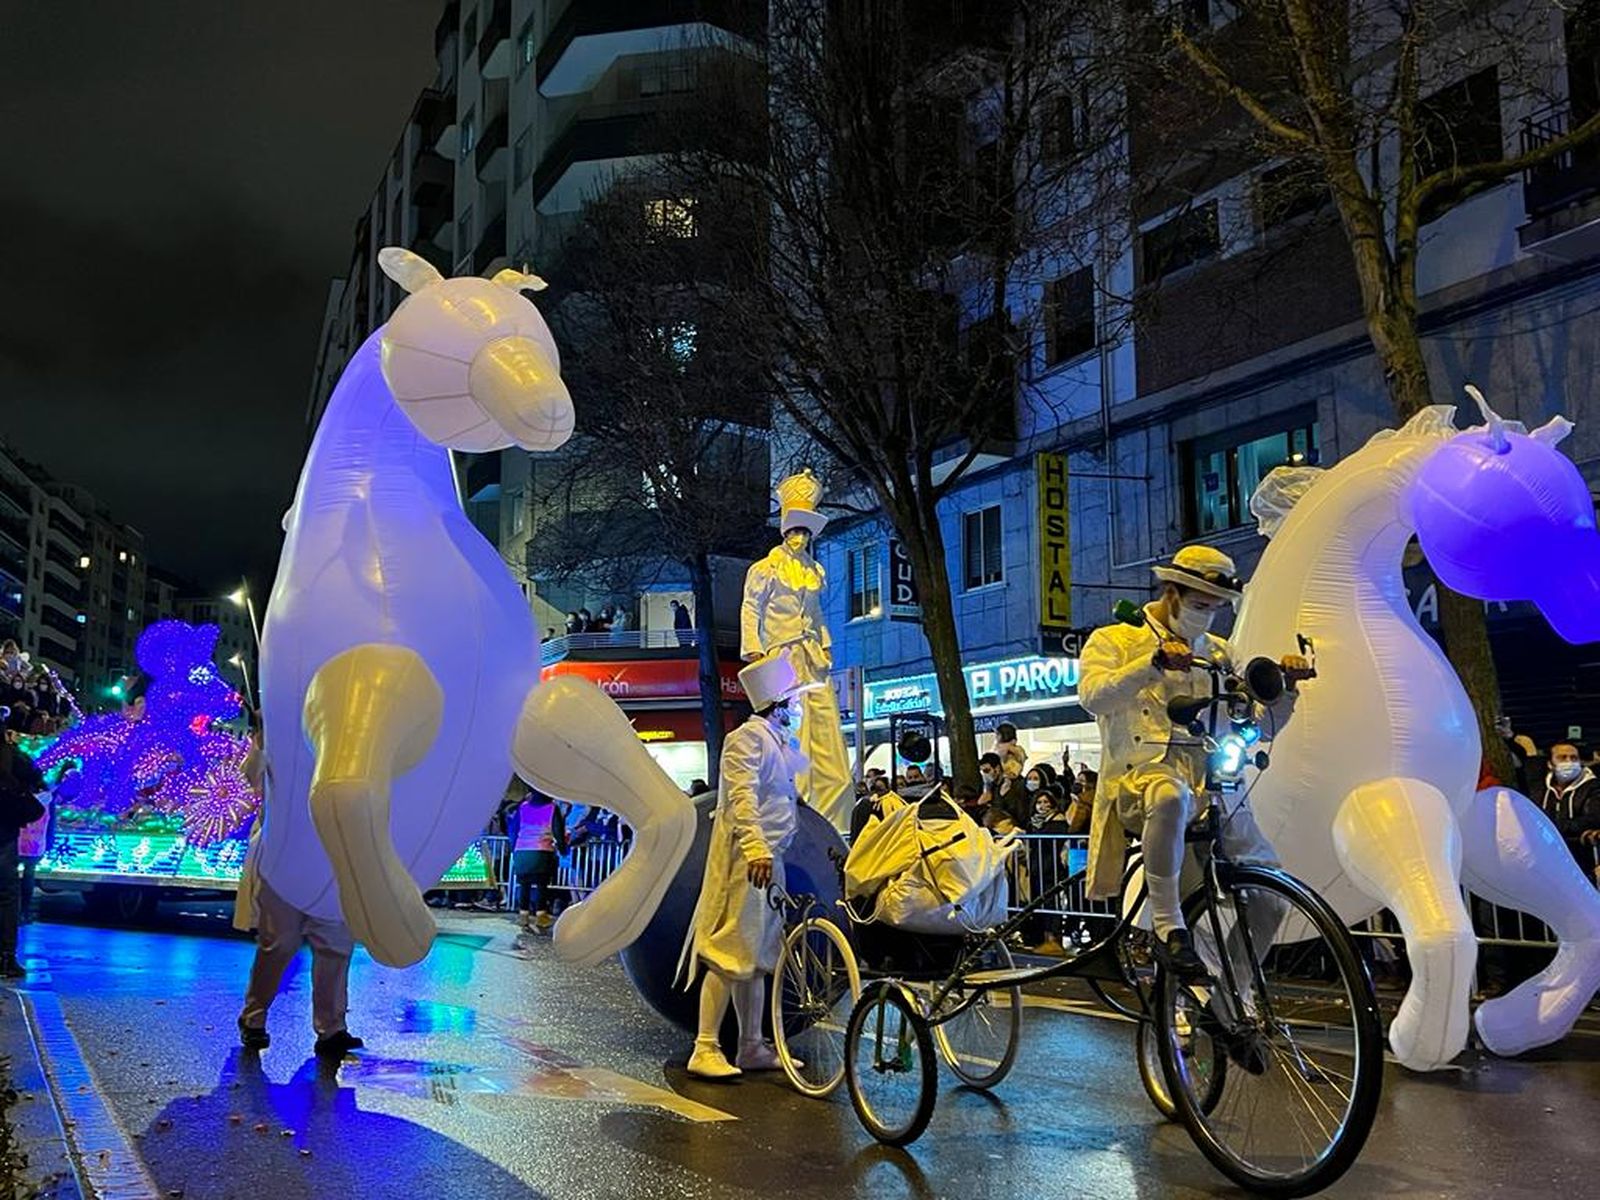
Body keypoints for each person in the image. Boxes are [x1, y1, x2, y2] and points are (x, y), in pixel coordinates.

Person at [1079, 544, 1308, 979]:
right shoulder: (1114, 640)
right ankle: (1169, 928)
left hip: (1214, 789)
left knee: (1271, 899)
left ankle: (1229, 998)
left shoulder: (1221, 653)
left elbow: (1261, 727)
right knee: (1168, 794)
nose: (1207, 616)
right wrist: (1152, 665)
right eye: (1201, 605)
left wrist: (1286, 688)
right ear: (1172, 593)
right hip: (1141, 783)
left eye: (1217, 608)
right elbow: (1094, 697)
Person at [682, 653, 811, 1079]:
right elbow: (742, 798)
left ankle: (751, 1045)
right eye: (793, 699)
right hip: (748, 860)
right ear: (777, 703)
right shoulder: (747, 740)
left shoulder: (775, 741)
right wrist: (756, 849)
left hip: (768, 857)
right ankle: (705, 1046)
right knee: (730, 950)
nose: (798, 706)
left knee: (755, 955)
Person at [235, 717, 363, 1058]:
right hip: (283, 858)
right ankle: (253, 1017)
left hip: (330, 856)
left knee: (335, 945)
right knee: (279, 943)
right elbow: (248, 779)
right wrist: (262, 739)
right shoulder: (276, 734)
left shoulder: (344, 735)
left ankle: (331, 1029)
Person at [741, 470, 853, 830]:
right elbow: (751, 608)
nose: (800, 537)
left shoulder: (814, 570)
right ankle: (793, 801)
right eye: (794, 530)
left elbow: (816, 613)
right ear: (784, 530)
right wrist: (754, 650)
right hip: (782, 656)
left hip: (811, 655)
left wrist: (825, 643)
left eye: (805, 531)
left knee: (825, 726)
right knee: (793, 727)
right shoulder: (765, 569)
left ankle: (834, 809)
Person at [0, 724, 45, 978]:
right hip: (4, 830)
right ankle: (6, 957)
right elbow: (37, 778)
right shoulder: (10, 755)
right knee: (7, 894)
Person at [509, 790, 566, 932]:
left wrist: (514, 847)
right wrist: (562, 849)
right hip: (542, 850)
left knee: (524, 884)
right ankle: (541, 916)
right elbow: (558, 831)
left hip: (522, 850)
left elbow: (513, 829)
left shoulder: (523, 807)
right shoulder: (552, 808)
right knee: (542, 884)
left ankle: (523, 915)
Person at [1540, 743, 1600, 869]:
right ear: (1550, 764)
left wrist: (1549, 828)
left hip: (1582, 860)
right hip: (1545, 857)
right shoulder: (1541, 788)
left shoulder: (1594, 787)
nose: (1569, 762)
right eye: (1562, 757)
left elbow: (1594, 818)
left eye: (1574, 758)